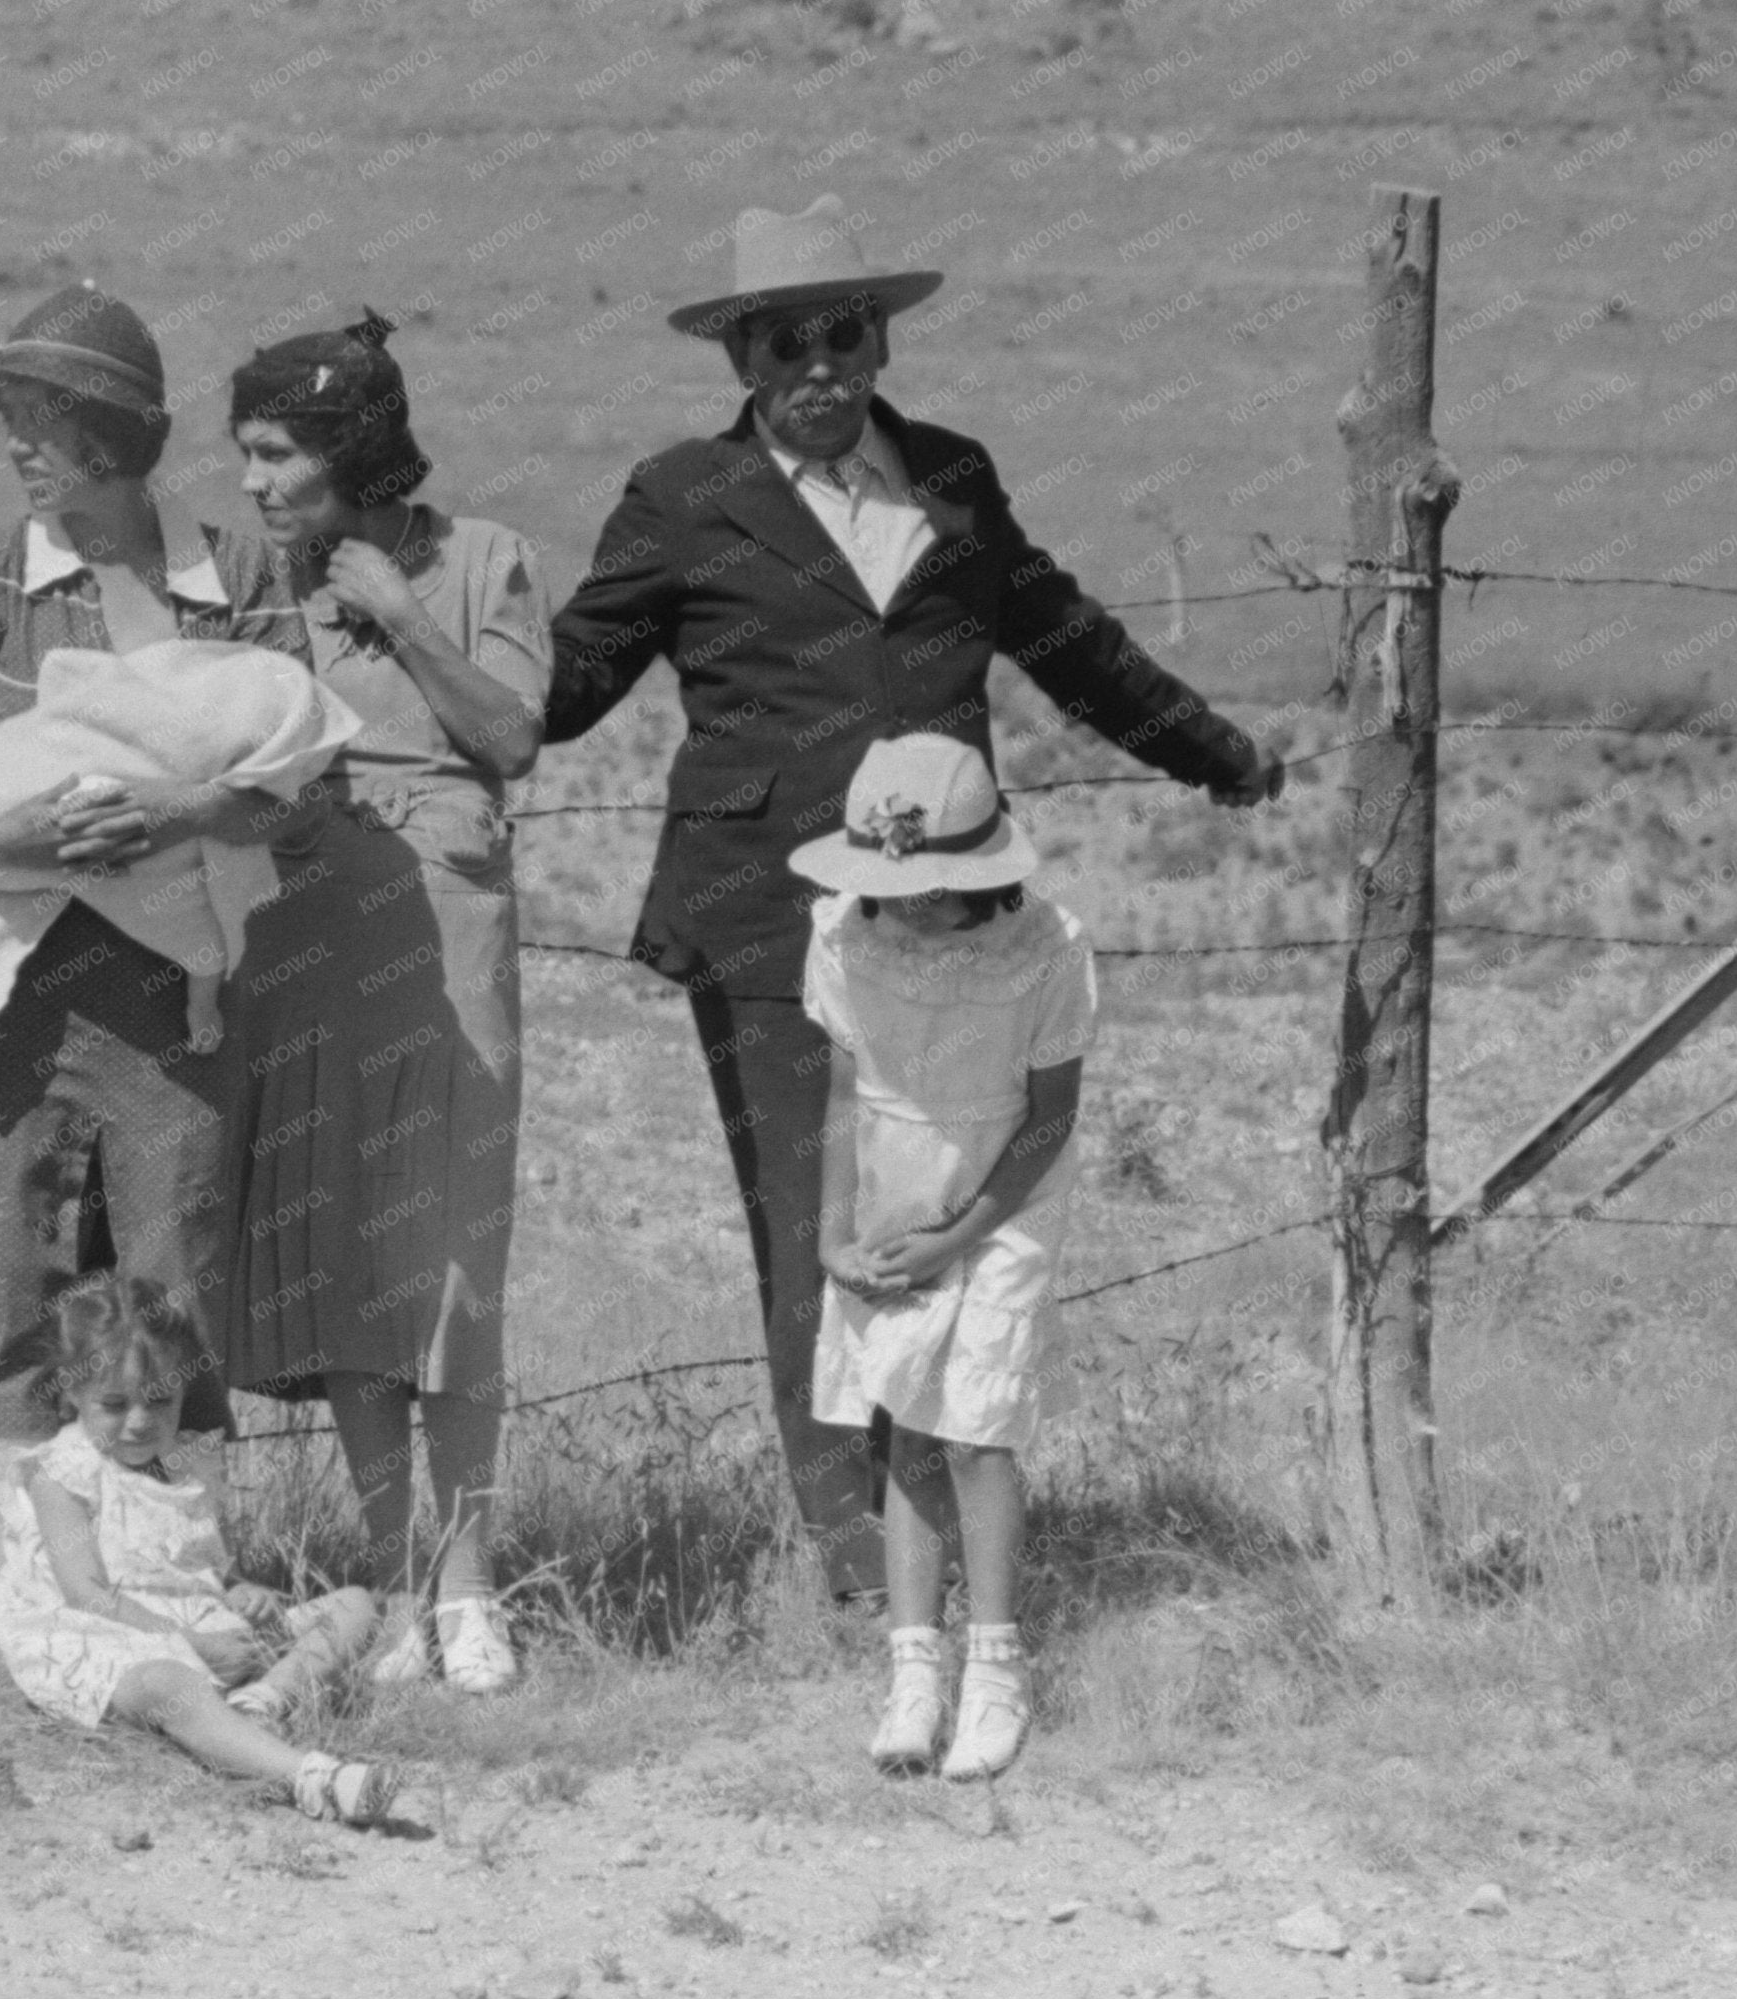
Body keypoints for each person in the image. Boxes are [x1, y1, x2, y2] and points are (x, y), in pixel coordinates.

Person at [543, 197, 1284, 1605]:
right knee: (811, 1236)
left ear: (880, 340)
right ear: (742, 360)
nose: (819, 365)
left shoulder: (952, 478)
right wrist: (416, 622)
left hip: (944, 923)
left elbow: (1070, 642)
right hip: (767, 923)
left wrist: (1217, 753)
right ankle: (853, 1575)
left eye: (844, 333)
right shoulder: (679, 497)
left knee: (952, 1227)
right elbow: (572, 681)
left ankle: (938, 1544)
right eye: (786, 341)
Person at [0, 284, 305, 1451]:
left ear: (117, 434)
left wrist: (180, 814)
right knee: (6, 1269)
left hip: (176, 1007)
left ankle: (178, 1571)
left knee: (174, 1273)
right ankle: (47, 1602)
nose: (18, 442)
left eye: (45, 417)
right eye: (10, 414)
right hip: (3, 992)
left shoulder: (243, 581)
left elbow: (295, 784)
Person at [222, 312, 547, 1693]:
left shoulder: (481, 561)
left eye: (274, 453)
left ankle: (470, 1583)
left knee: (451, 1254)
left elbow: (511, 735)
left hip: (451, 928)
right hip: (308, 928)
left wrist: (405, 620)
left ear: (348, 449)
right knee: (348, 1251)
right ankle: (393, 1572)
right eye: (242, 455)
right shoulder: (250, 586)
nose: (251, 482)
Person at [794, 737, 1095, 1782]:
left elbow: (1049, 1120)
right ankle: (912, 1671)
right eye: (891, 886)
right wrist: (835, 1237)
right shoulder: (842, 934)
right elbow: (841, 1093)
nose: (905, 906)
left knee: (978, 1431)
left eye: (927, 888)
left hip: (1002, 1201)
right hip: (894, 1188)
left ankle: (995, 1669)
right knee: (909, 1426)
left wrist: (957, 1236)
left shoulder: (1047, 951)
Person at [0, 1274, 400, 1828]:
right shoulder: (63, 1473)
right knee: (168, 1686)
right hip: (117, 1638)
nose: (139, 1421)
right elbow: (86, 1593)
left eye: (160, 1400)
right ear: (72, 1392)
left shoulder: (189, 1463)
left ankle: (260, 1705)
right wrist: (190, 1645)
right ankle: (312, 1776)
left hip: (204, 1627)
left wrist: (244, 1592)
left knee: (355, 1607)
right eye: (114, 1403)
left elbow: (210, 1567)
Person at [0, 617, 356, 1059]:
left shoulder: (241, 570)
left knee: (111, 854)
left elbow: (305, 807)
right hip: (14, 831)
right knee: (177, 909)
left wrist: (194, 808)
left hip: (145, 1020)